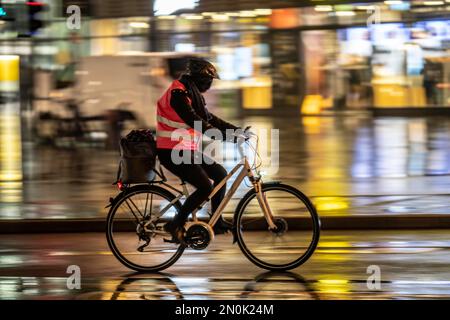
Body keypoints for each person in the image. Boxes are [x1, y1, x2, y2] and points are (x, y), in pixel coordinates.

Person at [156, 58, 241, 242]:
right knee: (205, 187)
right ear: (202, 79)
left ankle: (216, 221)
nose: (209, 85)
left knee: (220, 174)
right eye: (209, 81)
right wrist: (222, 136)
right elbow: (194, 120)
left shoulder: (191, 92)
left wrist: (236, 131)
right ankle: (174, 224)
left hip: (185, 149)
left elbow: (209, 118)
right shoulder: (178, 92)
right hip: (171, 151)